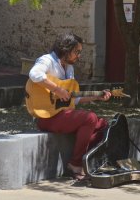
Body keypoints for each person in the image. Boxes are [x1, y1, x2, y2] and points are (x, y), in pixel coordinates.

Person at [27, 32, 111, 180]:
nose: (79, 56)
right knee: (90, 118)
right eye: (76, 52)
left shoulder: (69, 68)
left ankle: (86, 159)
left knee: (103, 124)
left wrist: (98, 97)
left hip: (63, 115)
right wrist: (57, 89)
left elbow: (74, 100)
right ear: (66, 49)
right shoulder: (47, 60)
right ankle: (75, 164)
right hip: (46, 116)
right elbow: (34, 74)